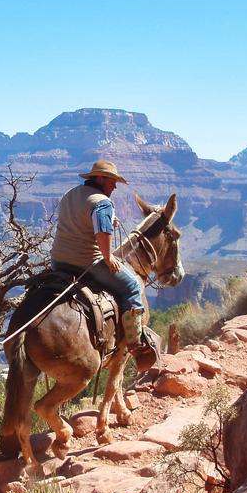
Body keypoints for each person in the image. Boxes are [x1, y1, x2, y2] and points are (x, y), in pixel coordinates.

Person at [50, 159, 158, 371]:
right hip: (87, 262)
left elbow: (79, 219)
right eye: (112, 181)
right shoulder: (102, 202)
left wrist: (109, 219)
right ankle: (136, 345)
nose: (114, 186)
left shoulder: (70, 194)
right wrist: (108, 258)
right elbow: (102, 233)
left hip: (59, 261)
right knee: (133, 287)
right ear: (99, 178)